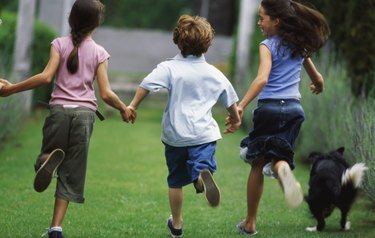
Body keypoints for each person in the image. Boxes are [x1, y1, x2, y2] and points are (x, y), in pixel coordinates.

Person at [0, 0, 132, 237]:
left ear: (71, 19)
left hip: (59, 111)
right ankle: (56, 228)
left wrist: (11, 89)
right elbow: (105, 93)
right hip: (84, 116)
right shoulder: (100, 52)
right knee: (71, 173)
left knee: (46, 157)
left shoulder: (58, 44)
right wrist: (123, 108)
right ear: (97, 23)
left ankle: (47, 160)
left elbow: (45, 77)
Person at [127, 15, 241, 238]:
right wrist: (235, 120)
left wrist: (133, 105)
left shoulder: (169, 67)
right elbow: (231, 102)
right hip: (203, 133)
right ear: (207, 44)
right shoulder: (215, 73)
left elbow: (146, 85)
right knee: (202, 163)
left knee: (175, 181)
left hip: (175, 136)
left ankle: (177, 225)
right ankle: (200, 174)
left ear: (178, 41)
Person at [231, 0, 330, 235]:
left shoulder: (267, 46)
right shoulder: (299, 46)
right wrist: (318, 84)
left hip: (269, 109)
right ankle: (282, 167)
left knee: (257, 162)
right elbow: (318, 78)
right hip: (294, 110)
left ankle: (250, 222)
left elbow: (262, 79)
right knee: (279, 155)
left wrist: (241, 105)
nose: (259, 22)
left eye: (262, 18)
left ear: (276, 21)